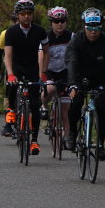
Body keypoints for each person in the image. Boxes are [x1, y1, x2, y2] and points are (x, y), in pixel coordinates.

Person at [65, 8, 105, 161]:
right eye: (89, 28)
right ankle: (73, 133)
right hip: (80, 78)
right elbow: (72, 63)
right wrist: (73, 84)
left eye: (97, 28)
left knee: (101, 107)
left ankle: (100, 144)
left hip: (98, 79)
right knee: (76, 102)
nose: (93, 32)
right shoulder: (76, 40)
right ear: (84, 27)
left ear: (101, 27)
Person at [4, 0, 50, 154]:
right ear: (17, 15)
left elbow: (46, 51)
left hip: (32, 69)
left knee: (35, 106)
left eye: (29, 13)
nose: (26, 16)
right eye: (23, 13)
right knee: (12, 84)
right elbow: (8, 56)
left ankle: (35, 141)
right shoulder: (11, 32)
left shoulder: (40, 31)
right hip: (16, 66)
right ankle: (11, 109)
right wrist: (10, 74)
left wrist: (43, 73)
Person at [39, 7, 73, 143]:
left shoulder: (71, 36)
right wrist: (42, 74)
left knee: (66, 108)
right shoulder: (46, 37)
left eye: (62, 21)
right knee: (50, 89)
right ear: (51, 22)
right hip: (49, 70)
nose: (60, 24)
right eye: (56, 21)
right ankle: (45, 106)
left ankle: (67, 137)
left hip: (64, 72)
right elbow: (41, 56)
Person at [0, 12, 18, 130]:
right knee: (8, 92)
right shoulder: (5, 33)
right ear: (13, 22)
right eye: (16, 21)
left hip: (26, 66)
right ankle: (8, 123)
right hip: (11, 67)